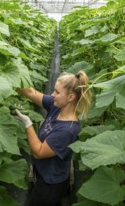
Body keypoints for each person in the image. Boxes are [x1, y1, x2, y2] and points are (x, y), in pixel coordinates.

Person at [15, 71, 92, 206]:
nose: (52, 95)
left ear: (71, 97)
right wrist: (8, 83)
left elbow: (38, 152)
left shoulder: (67, 130)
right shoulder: (57, 107)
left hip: (51, 183)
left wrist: (28, 124)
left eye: (57, 92)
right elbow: (32, 93)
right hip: (43, 173)